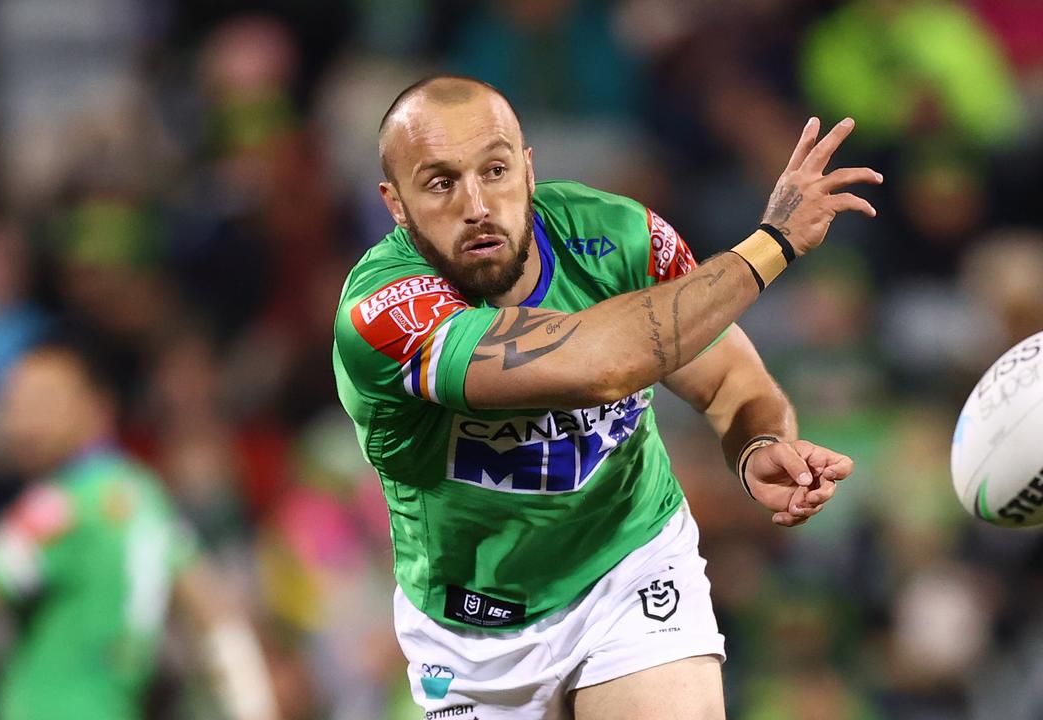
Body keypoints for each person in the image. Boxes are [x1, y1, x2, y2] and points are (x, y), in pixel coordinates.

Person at [332, 74, 882, 719]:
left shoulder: (619, 237)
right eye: (441, 182)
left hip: (630, 564)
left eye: (496, 170)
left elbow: (731, 379)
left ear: (529, 170)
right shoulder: (382, 311)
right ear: (395, 204)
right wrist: (770, 244)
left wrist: (757, 442)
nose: (477, 204)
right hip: (473, 630)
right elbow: (599, 364)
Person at [0, 343, 281, 720]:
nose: (21, 418)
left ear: (96, 407)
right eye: (15, 401)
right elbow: (218, 615)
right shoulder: (144, 496)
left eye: (43, 400)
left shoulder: (60, 506)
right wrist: (254, 707)